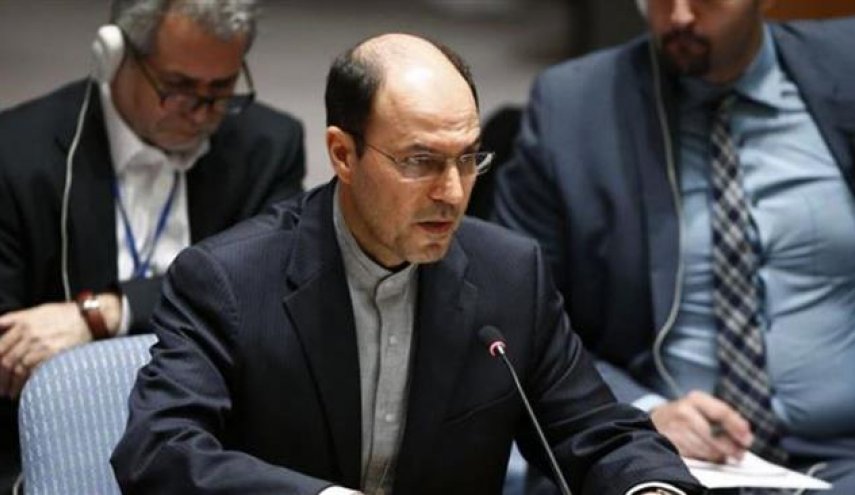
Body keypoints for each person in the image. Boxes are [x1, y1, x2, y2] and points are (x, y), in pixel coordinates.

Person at [110, 33, 702, 495]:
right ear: (343, 154)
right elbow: (159, 450)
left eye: (467, 158)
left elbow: (597, 433)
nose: (452, 192)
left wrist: (650, 487)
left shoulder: (510, 275)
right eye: (420, 162)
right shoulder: (230, 280)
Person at [495, 0, 855, 492]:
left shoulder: (843, 67)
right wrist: (641, 413)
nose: (680, 16)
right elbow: (520, 319)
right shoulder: (574, 107)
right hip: (660, 456)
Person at [0, 0, 304, 489]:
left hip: (216, 440)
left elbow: (263, 295)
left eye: (221, 88)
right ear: (114, 55)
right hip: (51, 440)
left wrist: (105, 314)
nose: (201, 112)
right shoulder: (15, 153)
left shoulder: (268, 145)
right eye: (178, 87)